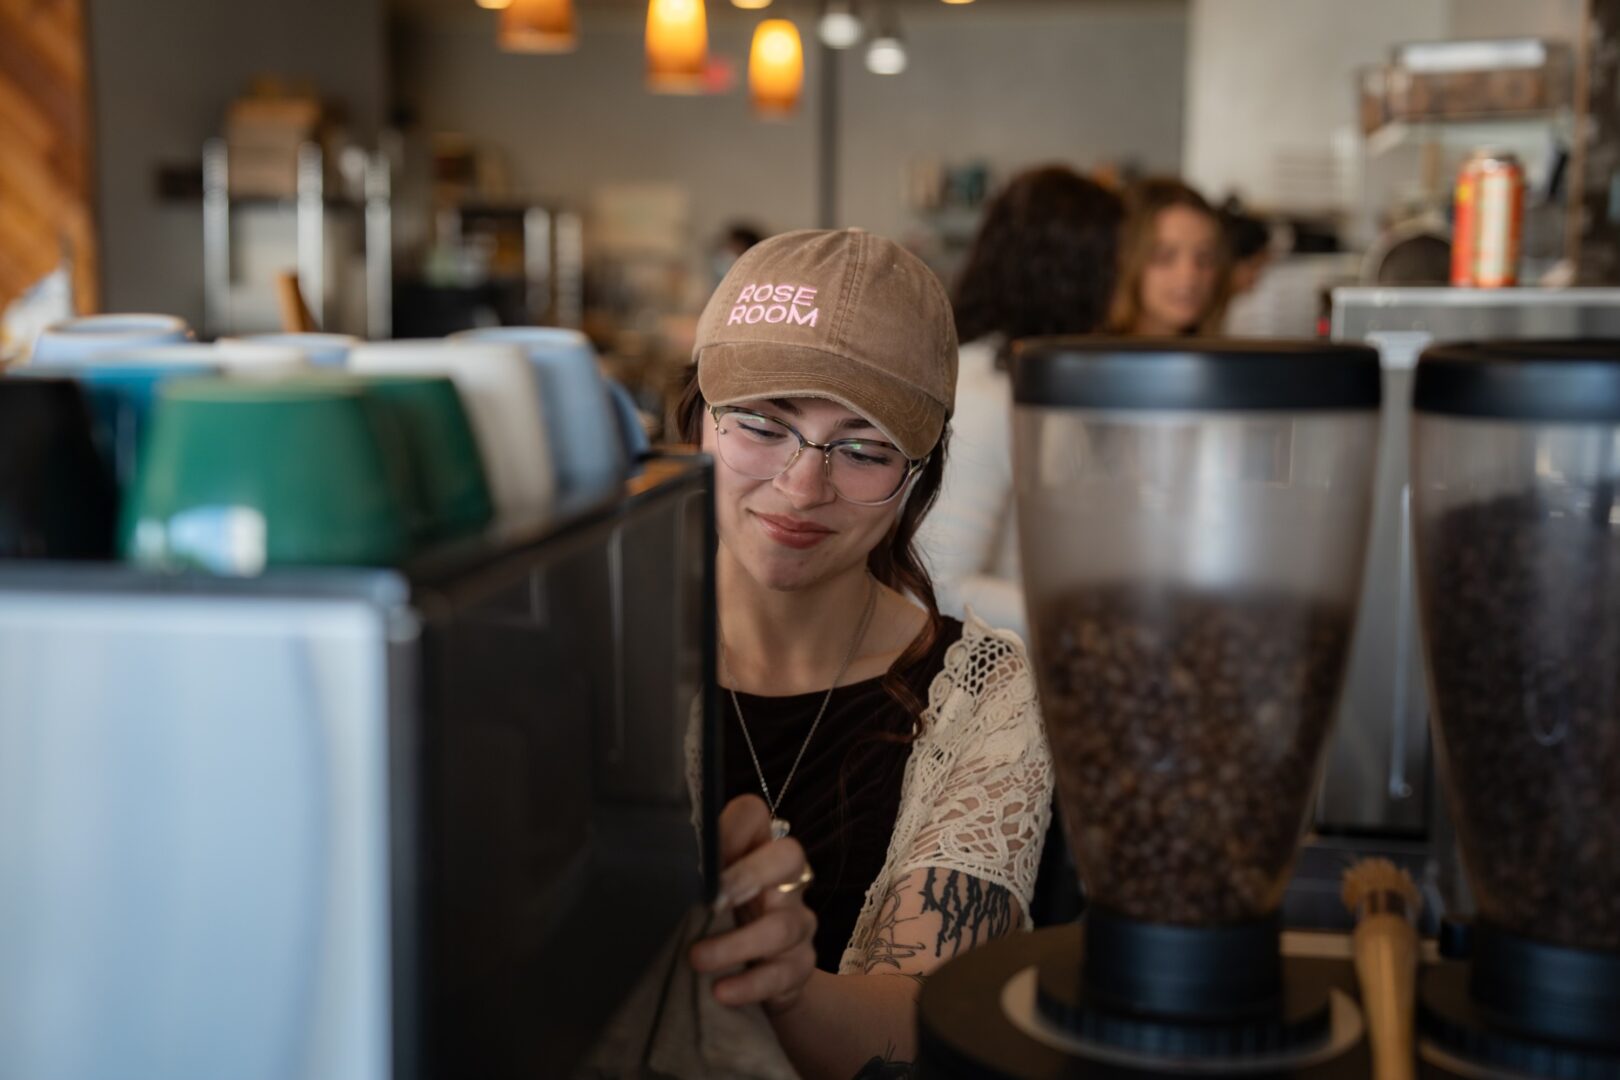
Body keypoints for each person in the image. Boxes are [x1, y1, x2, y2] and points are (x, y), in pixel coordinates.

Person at [672, 228, 1053, 1079]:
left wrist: (789, 987)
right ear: (697, 421)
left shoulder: (984, 696)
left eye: (863, 449)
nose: (801, 487)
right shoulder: (599, 656)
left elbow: (932, 1018)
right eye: (762, 426)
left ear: (919, 475)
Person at [917, 165, 1124, 642]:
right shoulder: (984, 396)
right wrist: (1094, 619)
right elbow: (940, 585)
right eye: (1115, 265)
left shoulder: (1037, 382)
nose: (1121, 287)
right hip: (1010, 666)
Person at [1108, 177, 1230, 336]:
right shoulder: (1089, 349)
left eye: (1205, 257)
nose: (1189, 275)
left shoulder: (1224, 349)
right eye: (1164, 257)